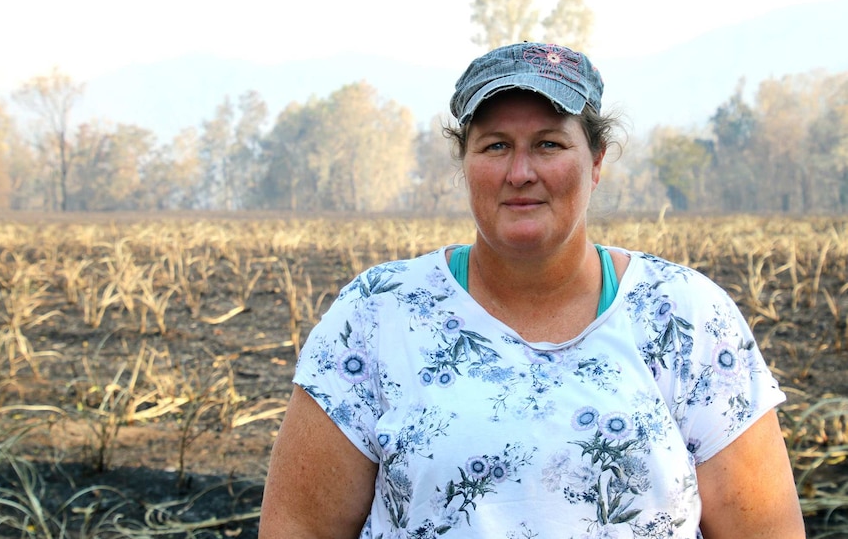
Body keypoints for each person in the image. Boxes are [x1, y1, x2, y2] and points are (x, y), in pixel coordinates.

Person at [259, 42, 805, 539]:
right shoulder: (378, 314)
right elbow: (298, 527)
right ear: (465, 163)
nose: (520, 172)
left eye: (548, 144)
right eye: (496, 146)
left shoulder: (683, 317)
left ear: (595, 162)